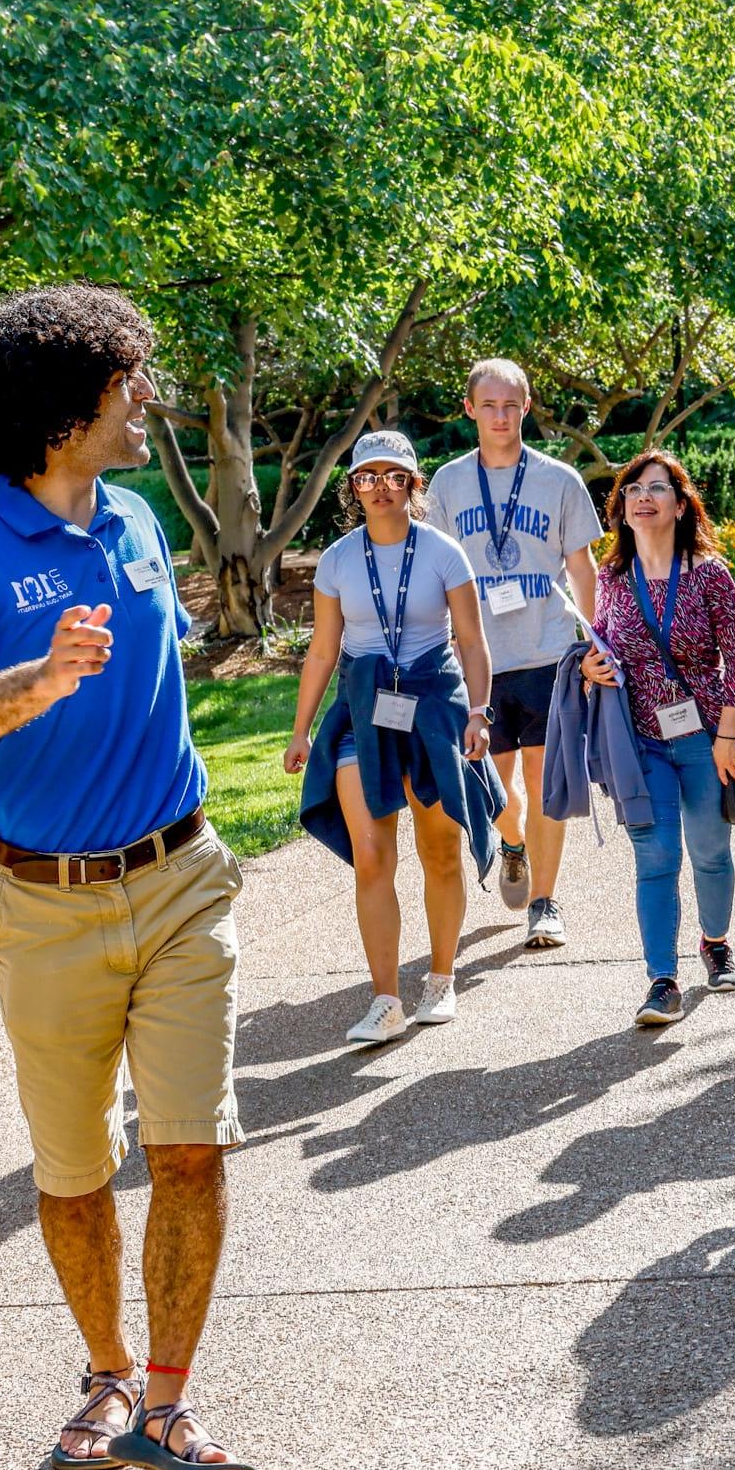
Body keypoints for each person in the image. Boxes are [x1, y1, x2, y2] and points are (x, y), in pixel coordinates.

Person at [0, 284, 255, 1470]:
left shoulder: (135, 522)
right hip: (44, 904)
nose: (149, 397)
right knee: (73, 1169)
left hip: (182, 877)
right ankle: (108, 1370)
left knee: (191, 1150)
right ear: (60, 407)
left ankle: (172, 1405)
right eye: (128, 378)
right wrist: (34, 683)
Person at [288, 431, 503, 1047]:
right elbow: (324, 649)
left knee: (438, 851)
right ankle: (384, 998)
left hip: (433, 709)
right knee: (373, 855)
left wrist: (479, 713)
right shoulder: (336, 560)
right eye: (367, 476)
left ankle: (440, 979)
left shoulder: (442, 553)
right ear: (353, 488)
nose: (380, 486)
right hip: (363, 714)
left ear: (413, 484)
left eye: (393, 475)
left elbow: (471, 641)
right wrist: (302, 731)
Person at [429, 360, 600, 956]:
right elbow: (432, 572)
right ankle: (513, 842)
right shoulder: (447, 485)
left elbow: (582, 567)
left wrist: (594, 642)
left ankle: (545, 903)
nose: (501, 416)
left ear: (526, 408)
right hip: (478, 659)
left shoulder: (559, 480)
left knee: (544, 778)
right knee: (494, 783)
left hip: (550, 651)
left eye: (512, 405)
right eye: (489, 406)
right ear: (470, 410)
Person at [580, 449, 735, 1026]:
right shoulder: (612, 579)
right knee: (655, 858)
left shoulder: (708, 573)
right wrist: (590, 668)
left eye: (658, 488)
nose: (644, 496)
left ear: (681, 506)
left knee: (709, 849)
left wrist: (729, 736)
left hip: (706, 737)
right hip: (640, 743)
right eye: (633, 489)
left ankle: (715, 942)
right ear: (622, 509)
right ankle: (662, 980)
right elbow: (601, 644)